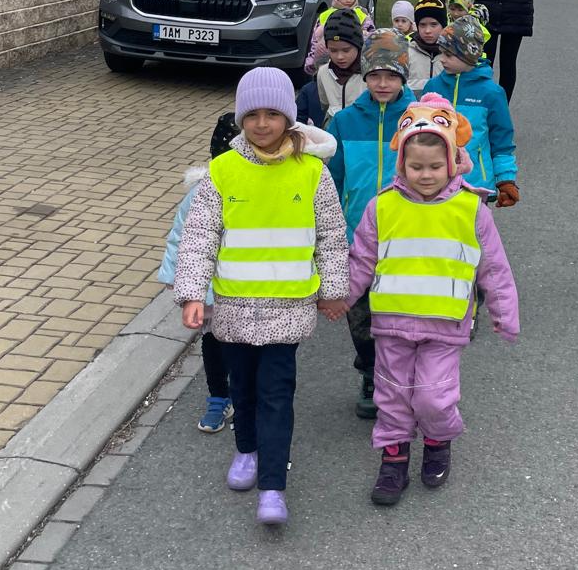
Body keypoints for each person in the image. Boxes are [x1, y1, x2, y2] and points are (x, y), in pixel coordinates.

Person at [173, 67, 349, 527]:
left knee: (276, 394)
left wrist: (333, 290)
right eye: (252, 115)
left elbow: (331, 237)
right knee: (243, 389)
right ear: (241, 119)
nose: (262, 124)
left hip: (287, 310)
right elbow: (199, 238)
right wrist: (192, 294)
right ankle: (246, 450)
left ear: (289, 118)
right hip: (233, 307)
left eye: (273, 114)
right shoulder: (222, 172)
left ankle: (273, 485)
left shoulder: (312, 173)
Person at [345, 95, 520, 505]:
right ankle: (393, 459)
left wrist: (504, 314)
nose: (426, 175)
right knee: (392, 395)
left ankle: (438, 440)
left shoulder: (470, 208)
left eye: (435, 167)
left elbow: (493, 267)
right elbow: (361, 259)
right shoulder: (382, 206)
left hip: (445, 325)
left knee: (431, 396)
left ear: (453, 162)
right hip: (392, 323)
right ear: (401, 164)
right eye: (417, 167)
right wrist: (339, 299)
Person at [328, 30, 416, 420]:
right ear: (364, 76)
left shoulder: (417, 120)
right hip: (356, 239)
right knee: (360, 315)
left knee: (401, 315)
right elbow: (332, 181)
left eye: (391, 75)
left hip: (407, 239)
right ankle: (369, 371)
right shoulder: (345, 122)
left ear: (404, 76)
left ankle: (402, 377)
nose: (382, 83)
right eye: (375, 75)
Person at [158, 111, 239, 433]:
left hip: (249, 286)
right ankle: (219, 396)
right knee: (214, 341)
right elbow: (180, 236)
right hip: (211, 287)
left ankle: (246, 397)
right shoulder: (200, 194)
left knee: (246, 346)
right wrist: (175, 277)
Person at [428, 15, 518, 208]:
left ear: (468, 55)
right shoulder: (433, 87)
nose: (442, 60)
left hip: (475, 183)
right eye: (441, 53)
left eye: (449, 55)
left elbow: (501, 140)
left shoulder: (491, 93)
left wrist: (505, 179)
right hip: (434, 182)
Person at [304, 0, 376, 75]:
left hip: (356, 63)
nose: (348, 0)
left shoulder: (361, 14)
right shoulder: (325, 15)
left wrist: (362, 35)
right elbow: (315, 40)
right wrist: (312, 61)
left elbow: (372, 37)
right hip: (328, 60)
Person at [311, 10, 368, 124]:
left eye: (346, 50)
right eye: (333, 50)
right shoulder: (323, 73)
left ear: (358, 45)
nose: (340, 56)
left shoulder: (369, 74)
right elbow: (325, 104)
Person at [407, 0, 447, 94]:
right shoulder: (407, 53)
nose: (427, 31)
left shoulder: (452, 55)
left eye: (433, 24)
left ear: (443, 25)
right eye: (422, 25)